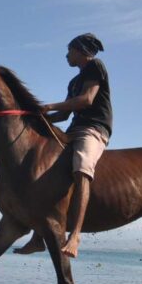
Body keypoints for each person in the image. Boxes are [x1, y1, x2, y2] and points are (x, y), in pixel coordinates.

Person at [15, 33, 113, 258]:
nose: (66, 55)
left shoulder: (95, 66)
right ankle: (38, 238)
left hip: (94, 129)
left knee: (81, 167)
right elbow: (64, 114)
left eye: (69, 50)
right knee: (46, 168)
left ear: (80, 51)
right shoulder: (73, 82)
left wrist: (48, 106)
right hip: (73, 130)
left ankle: (75, 236)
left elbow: (87, 100)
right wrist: (34, 116)